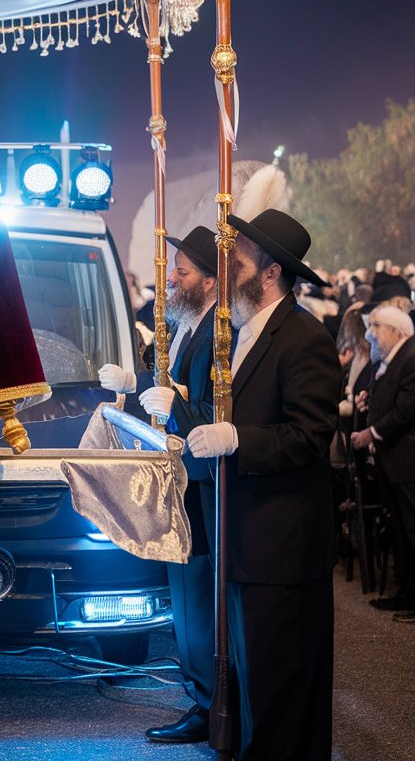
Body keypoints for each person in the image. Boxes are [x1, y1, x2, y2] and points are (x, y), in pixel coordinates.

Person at [187, 209, 338, 761]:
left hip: (281, 545)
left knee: (281, 688)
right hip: (242, 538)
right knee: (253, 682)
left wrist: (238, 439)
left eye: (240, 262)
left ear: (271, 272)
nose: (226, 270)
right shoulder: (241, 332)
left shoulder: (303, 336)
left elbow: (309, 435)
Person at [100, 226, 219, 744]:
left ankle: (210, 704)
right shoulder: (191, 323)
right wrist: (136, 385)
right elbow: (169, 389)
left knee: (198, 601)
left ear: (210, 281)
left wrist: (178, 407)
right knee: (187, 598)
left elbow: (210, 410)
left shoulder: (217, 331)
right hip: (182, 478)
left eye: (182, 273)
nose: (171, 280)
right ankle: (202, 696)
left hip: (201, 481)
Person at [350, 304, 415, 616]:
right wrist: (369, 400)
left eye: (376, 327)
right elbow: (390, 397)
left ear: (395, 330)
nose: (370, 334)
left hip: (407, 460)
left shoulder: (411, 356)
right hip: (394, 461)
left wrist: (371, 433)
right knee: (401, 529)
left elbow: (405, 411)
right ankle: (406, 592)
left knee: (411, 529)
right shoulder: (393, 357)